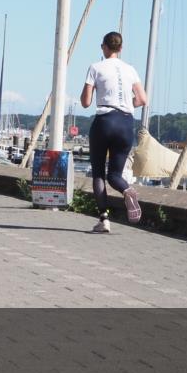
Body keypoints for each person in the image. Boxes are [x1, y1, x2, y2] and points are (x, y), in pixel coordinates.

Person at [80, 31, 148, 233]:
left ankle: (104, 220)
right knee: (115, 175)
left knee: (99, 174)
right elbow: (142, 99)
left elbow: (85, 102)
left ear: (104, 47)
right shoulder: (130, 69)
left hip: (104, 121)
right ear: (121, 48)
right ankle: (127, 190)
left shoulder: (96, 67)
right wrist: (126, 103)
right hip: (126, 122)